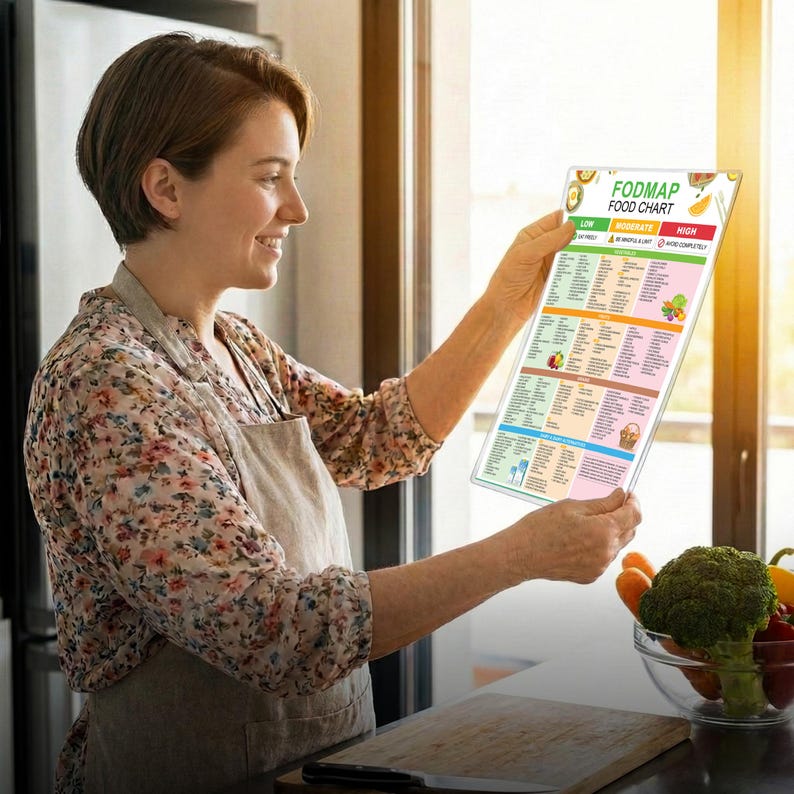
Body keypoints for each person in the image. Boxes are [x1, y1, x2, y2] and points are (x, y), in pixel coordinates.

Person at [22, 31, 641, 794]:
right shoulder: (108, 383)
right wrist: (516, 557)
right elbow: (274, 631)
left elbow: (377, 440)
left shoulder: (236, 345)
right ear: (167, 189)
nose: (298, 208)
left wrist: (507, 301)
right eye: (270, 177)